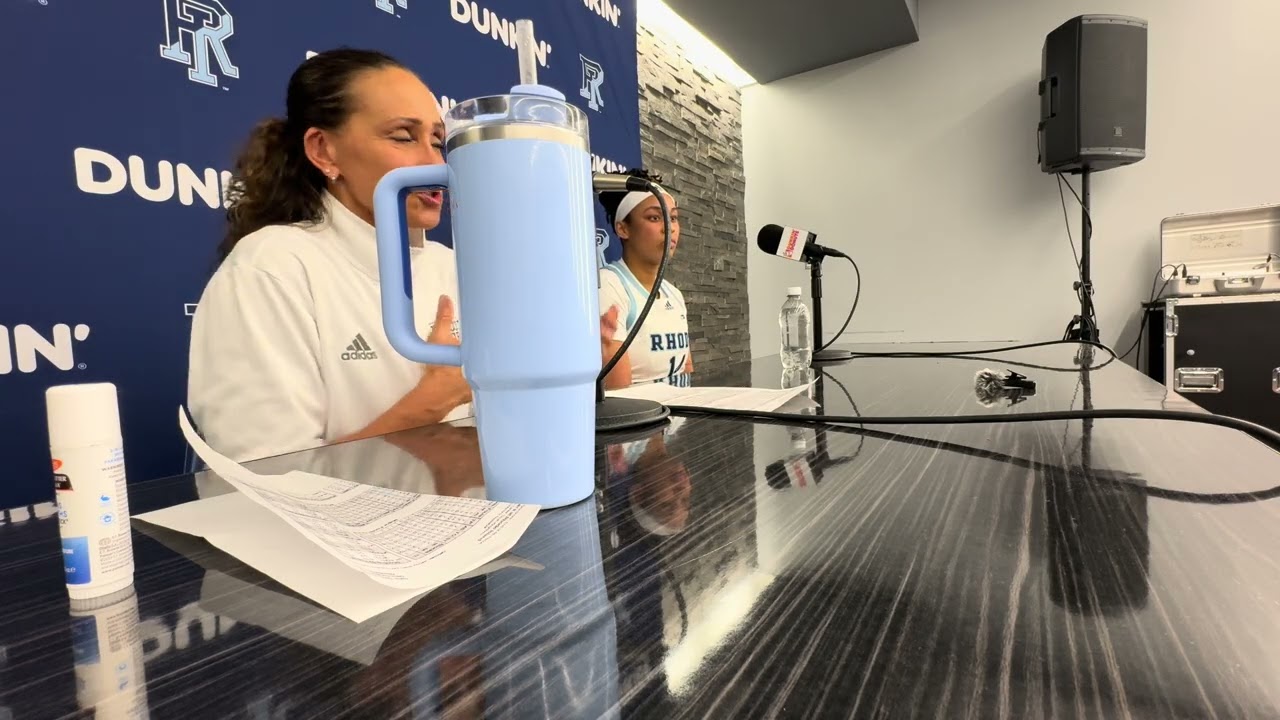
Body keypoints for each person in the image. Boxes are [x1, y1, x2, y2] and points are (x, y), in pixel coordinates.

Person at [188, 49, 471, 462]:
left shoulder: (451, 266)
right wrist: (429, 404)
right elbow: (264, 478)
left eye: (437, 141)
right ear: (323, 150)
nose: (434, 163)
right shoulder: (270, 269)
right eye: (403, 137)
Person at [597, 169, 693, 388]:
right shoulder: (609, 287)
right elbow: (619, 394)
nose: (669, 228)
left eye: (673, 218)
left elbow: (686, 373)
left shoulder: (674, 294)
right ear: (623, 228)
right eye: (655, 218)